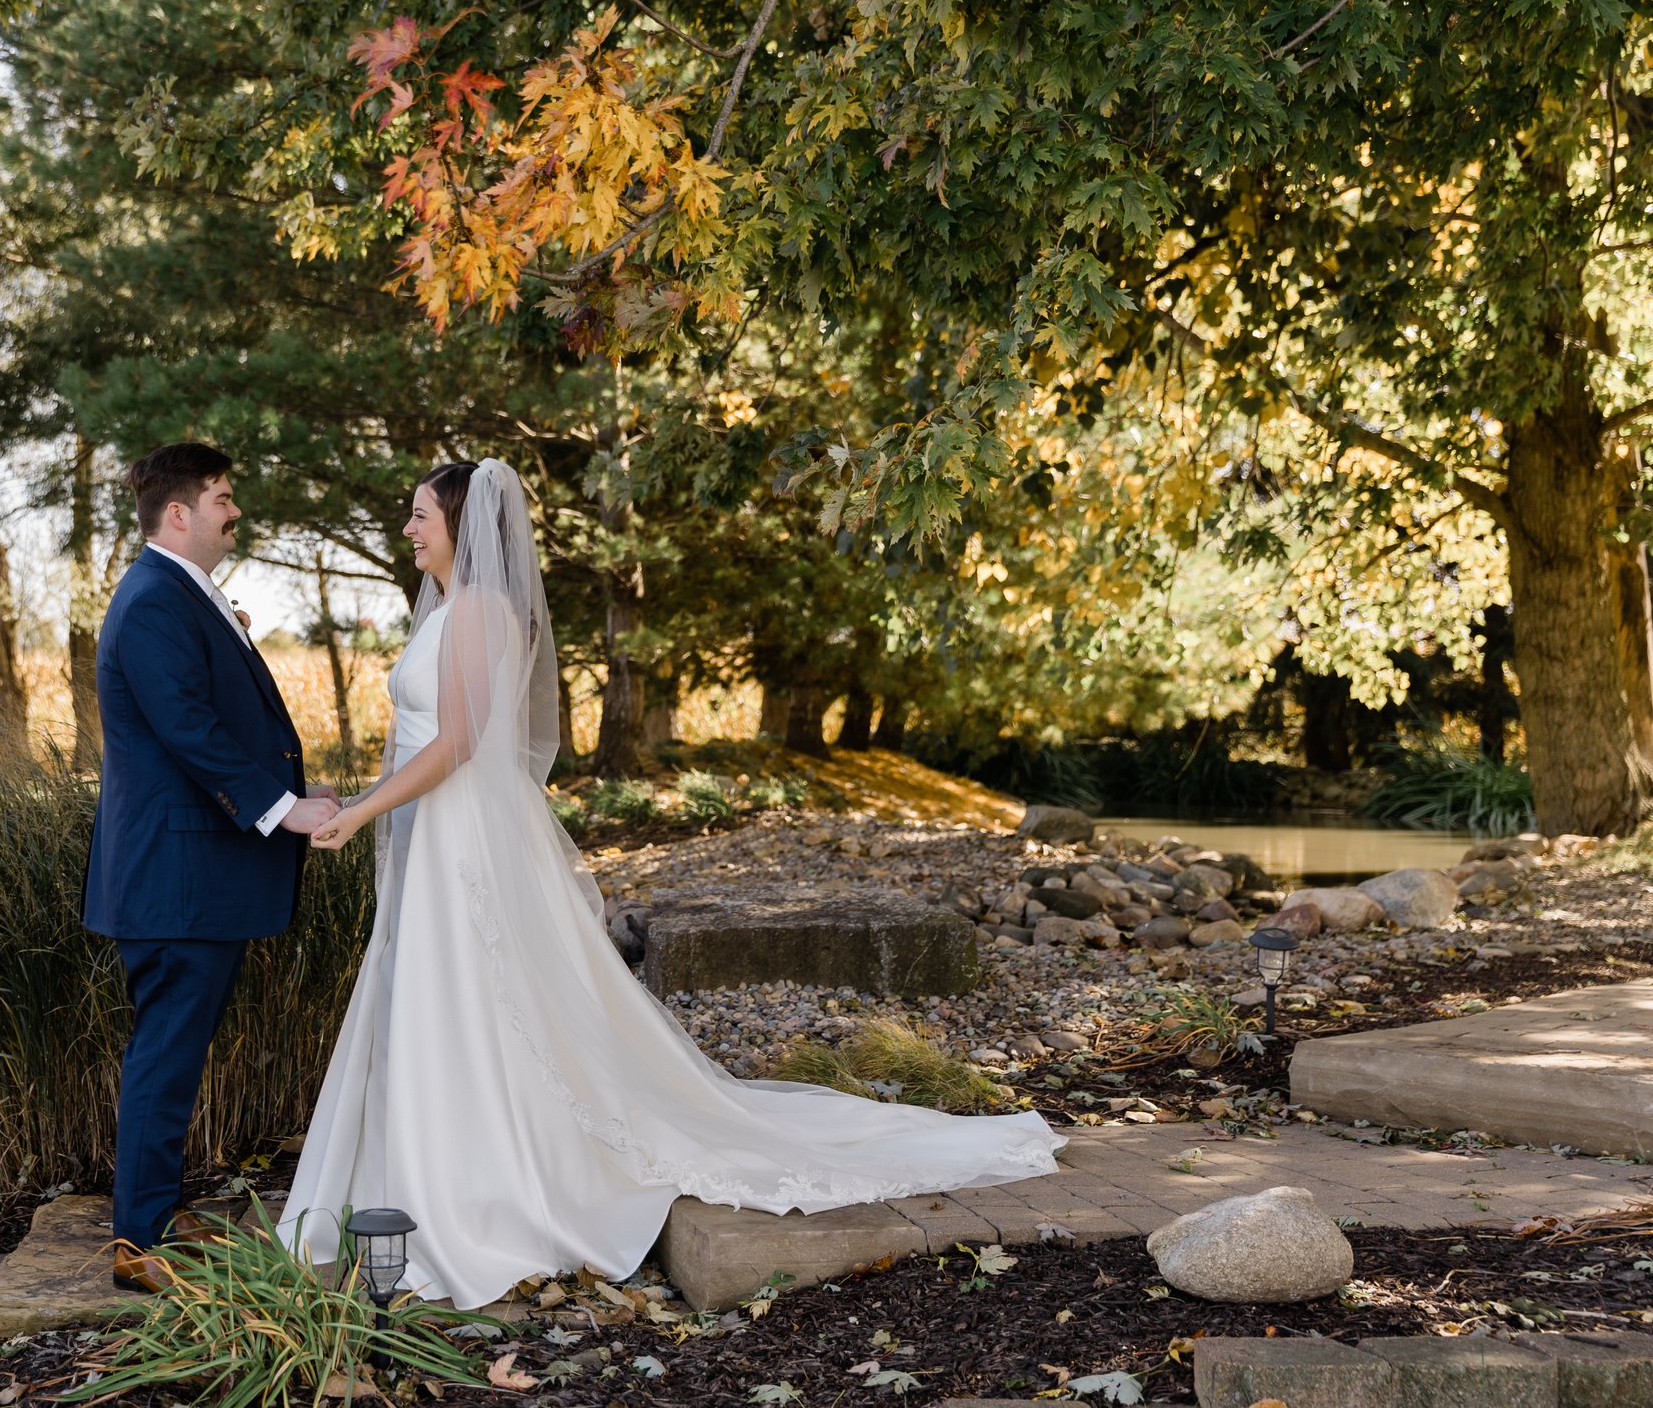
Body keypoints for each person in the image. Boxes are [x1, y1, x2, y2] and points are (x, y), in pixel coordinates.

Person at [279, 458, 1065, 1308]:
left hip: (460, 835)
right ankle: (432, 1169)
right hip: (442, 833)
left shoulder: (476, 609)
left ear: (462, 525)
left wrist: (360, 810)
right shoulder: (453, 608)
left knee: (473, 996)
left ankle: (480, 1188)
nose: (409, 527)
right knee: (454, 999)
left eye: (421, 512)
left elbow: (460, 741)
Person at [85, 442, 341, 1292]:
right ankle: (138, 1242)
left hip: (189, 881)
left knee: (178, 1049)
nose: (235, 511)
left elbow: (221, 718)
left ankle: (156, 1211)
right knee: (164, 1052)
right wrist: (283, 808)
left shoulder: (177, 592)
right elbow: (189, 727)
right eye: (224, 497)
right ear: (181, 512)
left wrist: (296, 787)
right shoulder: (155, 598)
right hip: (175, 881)